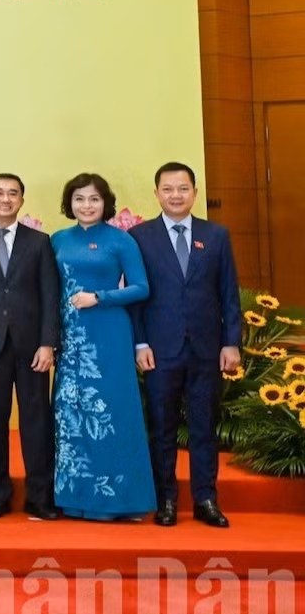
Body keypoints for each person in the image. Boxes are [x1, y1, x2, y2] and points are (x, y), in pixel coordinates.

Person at [130, 161, 239, 529]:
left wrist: (231, 343)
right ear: (157, 193)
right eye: (168, 189)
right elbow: (136, 297)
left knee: (204, 427)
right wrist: (139, 342)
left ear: (195, 192)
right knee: (161, 428)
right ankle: (166, 501)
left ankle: (206, 499)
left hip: (207, 350)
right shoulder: (140, 237)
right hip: (159, 349)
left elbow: (228, 295)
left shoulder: (217, 235)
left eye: (183, 188)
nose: (176, 195)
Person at [51, 172, 154, 520]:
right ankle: (77, 498)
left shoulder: (120, 241)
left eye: (94, 199)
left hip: (108, 335)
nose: (86, 205)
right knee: (72, 414)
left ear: (105, 202)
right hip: (70, 339)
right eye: (79, 199)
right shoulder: (57, 239)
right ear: (70, 203)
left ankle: (122, 501)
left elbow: (141, 288)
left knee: (114, 412)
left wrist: (101, 297)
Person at [0, 173, 60, 520]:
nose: (5, 199)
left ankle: (39, 496)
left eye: (13, 194)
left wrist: (48, 343)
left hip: (31, 347)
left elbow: (50, 296)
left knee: (36, 422)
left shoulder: (39, 242)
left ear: (22, 200)